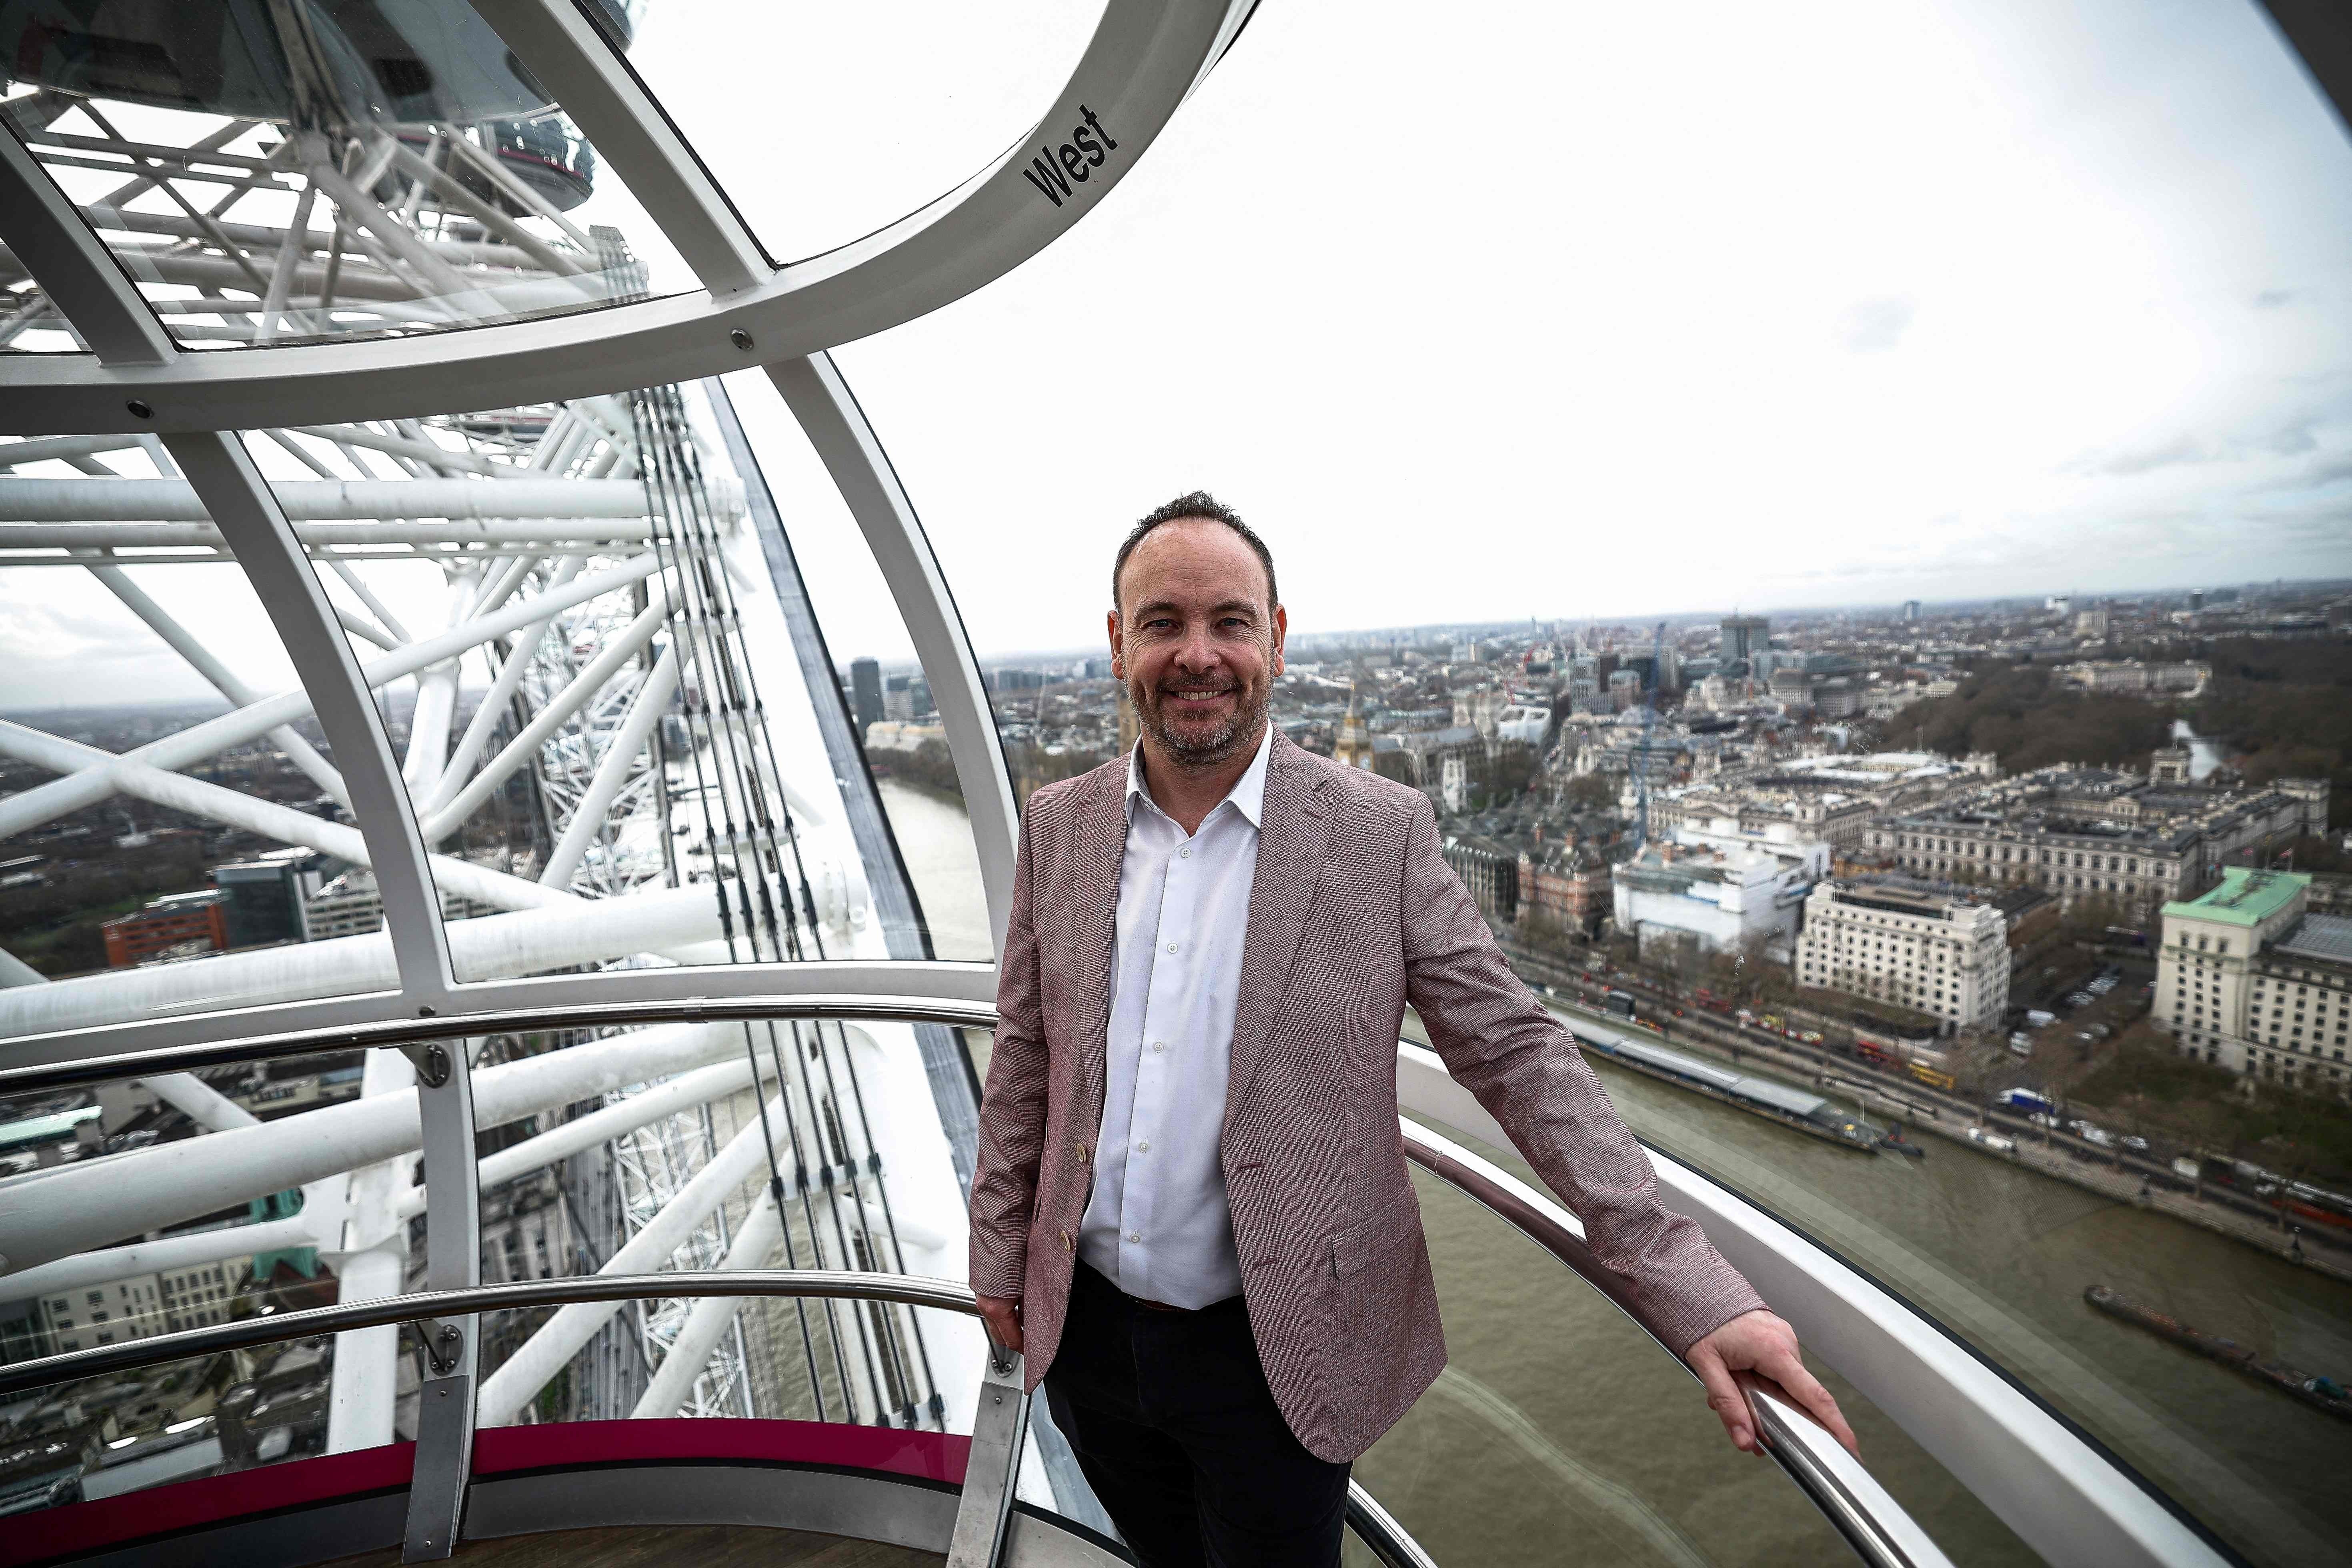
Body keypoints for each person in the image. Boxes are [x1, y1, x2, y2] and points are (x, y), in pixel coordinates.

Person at [968, 493, 1855, 1567]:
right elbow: (1028, 1051)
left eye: (1230, 622)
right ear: (1118, 646)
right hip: (1087, 1329)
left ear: (1278, 641)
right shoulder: (1058, 823)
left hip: (1277, 1353)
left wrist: (1686, 1285)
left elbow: (1517, 1054)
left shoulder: (1380, 833)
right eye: (1162, 623)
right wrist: (998, 1251)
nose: (1197, 655)